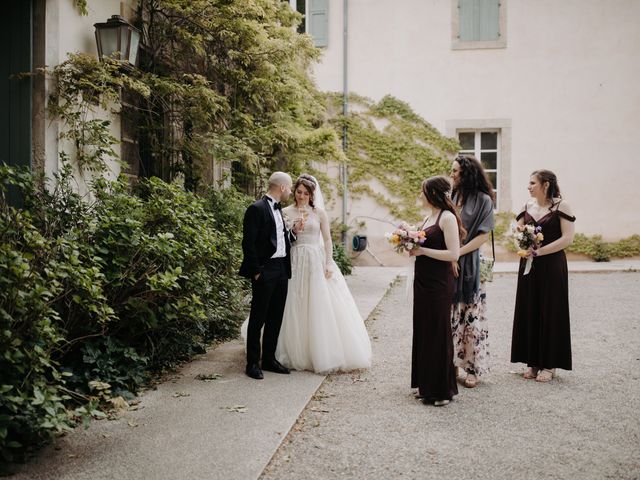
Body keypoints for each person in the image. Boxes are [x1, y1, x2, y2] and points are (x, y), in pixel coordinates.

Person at [274, 174, 372, 373]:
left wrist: (328, 263)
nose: (301, 196)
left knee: (317, 302)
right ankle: (290, 349)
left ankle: (320, 351)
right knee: (293, 301)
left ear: (312, 195)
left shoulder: (319, 213)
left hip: (314, 259)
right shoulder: (285, 211)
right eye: (299, 192)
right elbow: (283, 240)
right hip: (294, 259)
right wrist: (293, 230)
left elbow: (327, 240)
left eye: (306, 193)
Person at [511, 169, 576, 382]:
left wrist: (540, 251)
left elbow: (567, 238)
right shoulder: (525, 207)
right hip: (528, 264)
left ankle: (550, 364)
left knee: (551, 310)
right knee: (529, 308)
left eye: (532, 183)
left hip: (551, 264)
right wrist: (523, 246)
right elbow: (517, 234)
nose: (528, 187)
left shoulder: (561, 206)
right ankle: (532, 362)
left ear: (545, 184)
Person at [238, 172, 304, 380]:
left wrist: (294, 233)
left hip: (282, 269)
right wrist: (256, 271)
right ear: (282, 188)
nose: (291, 191)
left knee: (276, 317)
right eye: (290, 187)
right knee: (258, 318)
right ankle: (252, 364)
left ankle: (269, 359)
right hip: (265, 270)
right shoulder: (256, 209)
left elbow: (280, 240)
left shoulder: (280, 211)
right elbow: (248, 243)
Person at [409, 176, 463, 406]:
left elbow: (454, 254)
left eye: (422, 192)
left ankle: (442, 390)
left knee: (438, 332)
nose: (420, 196)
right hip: (422, 281)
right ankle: (426, 384)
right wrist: (410, 246)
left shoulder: (447, 218)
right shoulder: (426, 218)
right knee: (424, 330)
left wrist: (423, 253)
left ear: (432, 194)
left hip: (439, 283)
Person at [449, 155, 495, 388]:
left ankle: (472, 368)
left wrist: (459, 253)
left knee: (470, 315)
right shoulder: (452, 196)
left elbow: (483, 235)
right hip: (449, 260)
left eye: (455, 171)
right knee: (451, 316)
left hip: (469, 263)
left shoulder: (484, 200)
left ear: (466, 173)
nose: (452, 174)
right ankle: (452, 364)